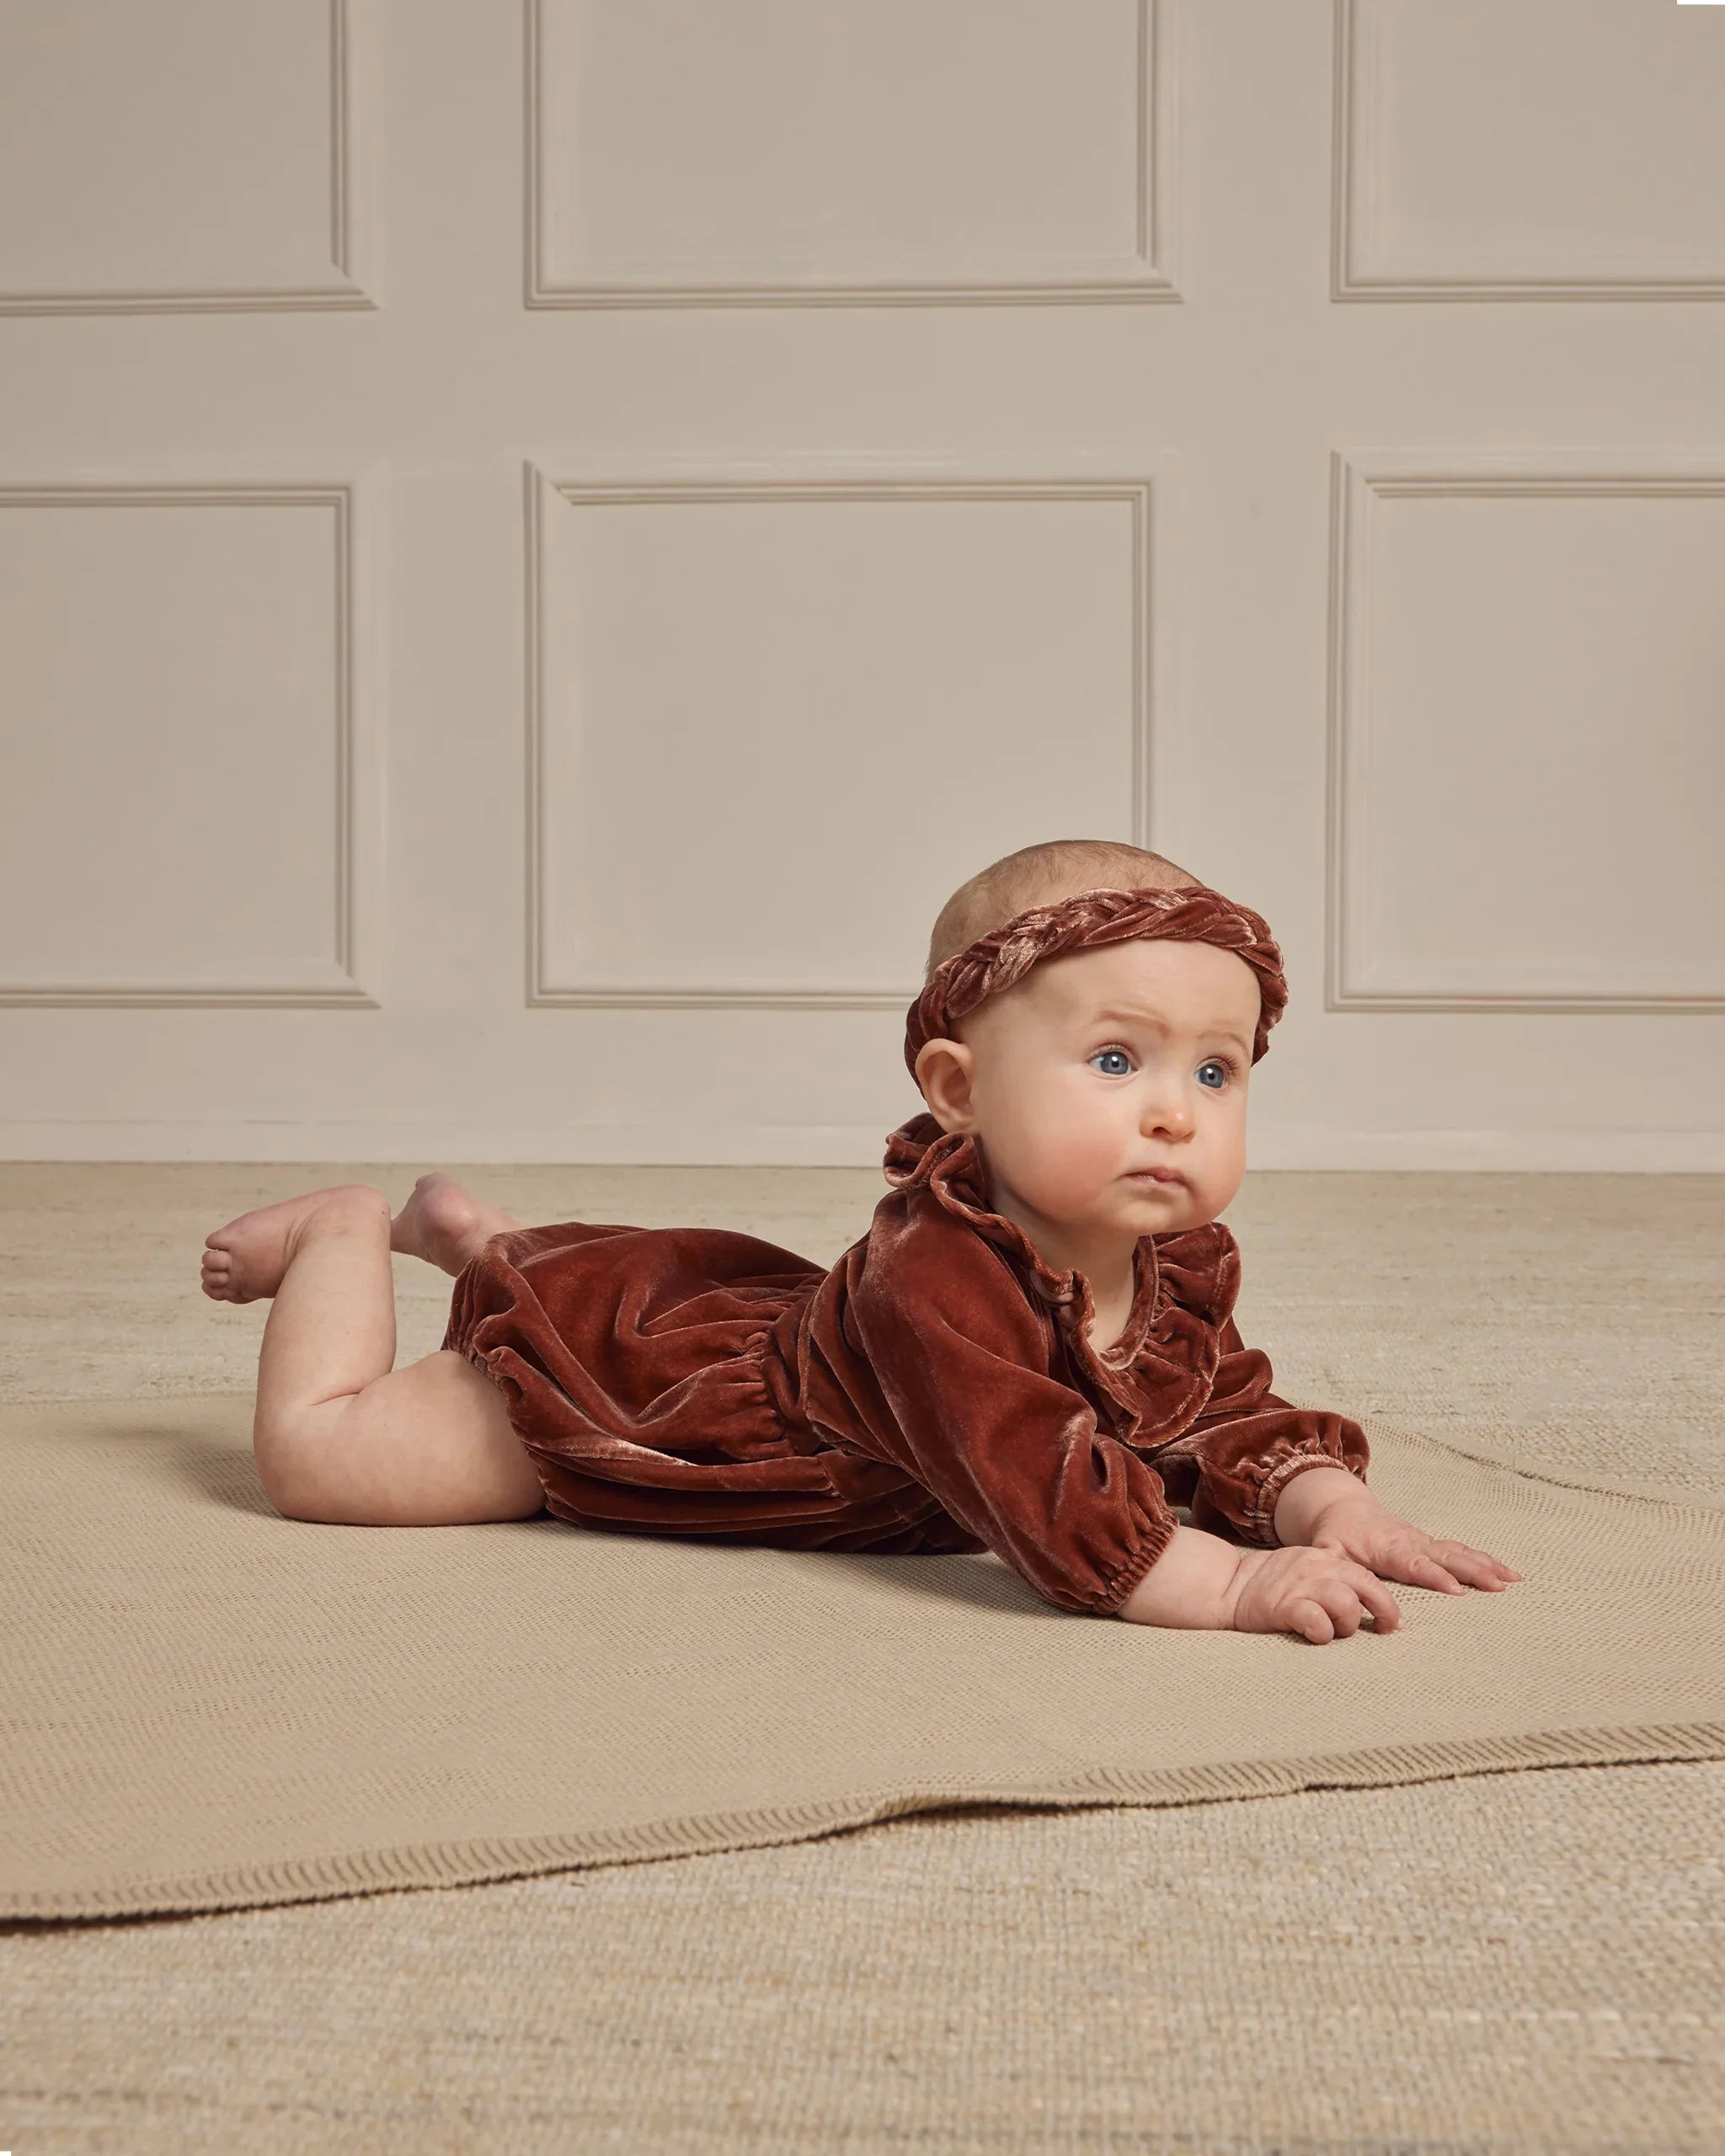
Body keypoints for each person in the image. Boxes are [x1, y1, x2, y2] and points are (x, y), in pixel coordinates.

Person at [200, 838, 1523, 1643]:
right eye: (1116, 1059)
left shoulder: (1171, 1263)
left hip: (754, 1331)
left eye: (1218, 1073)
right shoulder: (935, 1279)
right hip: (662, 1413)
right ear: (958, 1093)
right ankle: (343, 1237)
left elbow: (1214, 1408)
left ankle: (491, 1242)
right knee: (328, 1465)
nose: (1175, 1114)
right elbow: (1048, 1494)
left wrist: (1329, 1502)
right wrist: (1234, 1586)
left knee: (623, 1289)